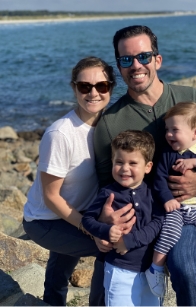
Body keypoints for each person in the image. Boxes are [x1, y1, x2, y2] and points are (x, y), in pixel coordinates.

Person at [93, 25, 196, 306]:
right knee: (102, 290)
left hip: (186, 212)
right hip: (140, 217)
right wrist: (102, 222)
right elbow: (103, 182)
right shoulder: (110, 121)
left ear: (157, 59)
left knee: (184, 265)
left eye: (143, 56)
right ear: (118, 67)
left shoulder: (193, 99)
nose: (136, 65)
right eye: (126, 60)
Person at [22, 56, 136, 306]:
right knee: (108, 246)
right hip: (45, 220)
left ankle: (52, 302)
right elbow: (51, 198)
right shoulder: (60, 134)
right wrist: (92, 229)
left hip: (80, 211)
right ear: (74, 88)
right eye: (85, 86)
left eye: (101, 86)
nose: (93, 93)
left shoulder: (107, 126)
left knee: (60, 270)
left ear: (111, 88)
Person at [145, 101, 196, 297]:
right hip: (176, 209)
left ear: (195, 134)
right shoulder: (167, 155)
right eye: (167, 130)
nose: (169, 135)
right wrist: (167, 200)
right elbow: (159, 181)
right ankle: (155, 268)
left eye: (174, 130)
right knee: (169, 236)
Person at [82, 130, 164, 306]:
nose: (125, 168)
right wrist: (106, 230)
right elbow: (87, 220)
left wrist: (130, 240)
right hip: (119, 269)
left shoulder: (152, 193)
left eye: (133, 163)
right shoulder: (107, 193)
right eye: (119, 162)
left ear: (148, 167)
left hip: (151, 270)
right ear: (112, 162)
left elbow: (159, 222)